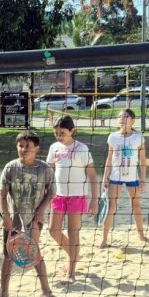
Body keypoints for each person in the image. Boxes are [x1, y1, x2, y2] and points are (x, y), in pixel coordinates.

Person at [0, 131, 54, 297]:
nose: (24, 149)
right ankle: (3, 291)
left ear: (37, 148)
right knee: (8, 255)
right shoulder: (11, 167)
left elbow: (51, 192)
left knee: (34, 253)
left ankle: (46, 289)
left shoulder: (44, 168)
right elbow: (1, 193)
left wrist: (41, 211)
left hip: (35, 218)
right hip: (13, 220)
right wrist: (5, 215)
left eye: (28, 146)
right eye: (20, 146)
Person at [45, 115, 98, 285]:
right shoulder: (54, 147)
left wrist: (94, 200)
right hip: (58, 195)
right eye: (56, 133)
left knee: (73, 232)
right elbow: (49, 171)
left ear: (72, 131)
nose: (59, 136)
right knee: (53, 230)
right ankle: (74, 255)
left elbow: (92, 175)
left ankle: (71, 271)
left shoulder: (82, 149)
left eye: (62, 133)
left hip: (77, 195)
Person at [100, 109, 149, 249]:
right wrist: (105, 177)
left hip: (132, 177)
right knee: (111, 207)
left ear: (132, 120)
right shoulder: (112, 137)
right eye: (119, 116)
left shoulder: (138, 137)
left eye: (125, 116)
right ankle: (104, 239)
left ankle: (141, 235)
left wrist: (143, 179)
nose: (122, 118)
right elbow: (109, 158)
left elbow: (143, 161)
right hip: (115, 177)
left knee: (136, 205)